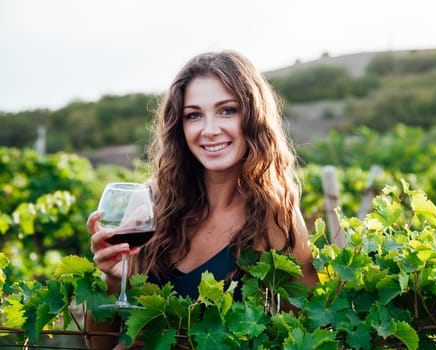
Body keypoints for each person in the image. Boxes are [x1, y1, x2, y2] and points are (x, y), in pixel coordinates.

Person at [86, 50, 319, 349]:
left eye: (227, 111)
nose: (209, 130)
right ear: (179, 127)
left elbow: (308, 332)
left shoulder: (274, 216)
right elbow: (99, 345)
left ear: (253, 116)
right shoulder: (152, 201)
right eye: (194, 115)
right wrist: (112, 281)